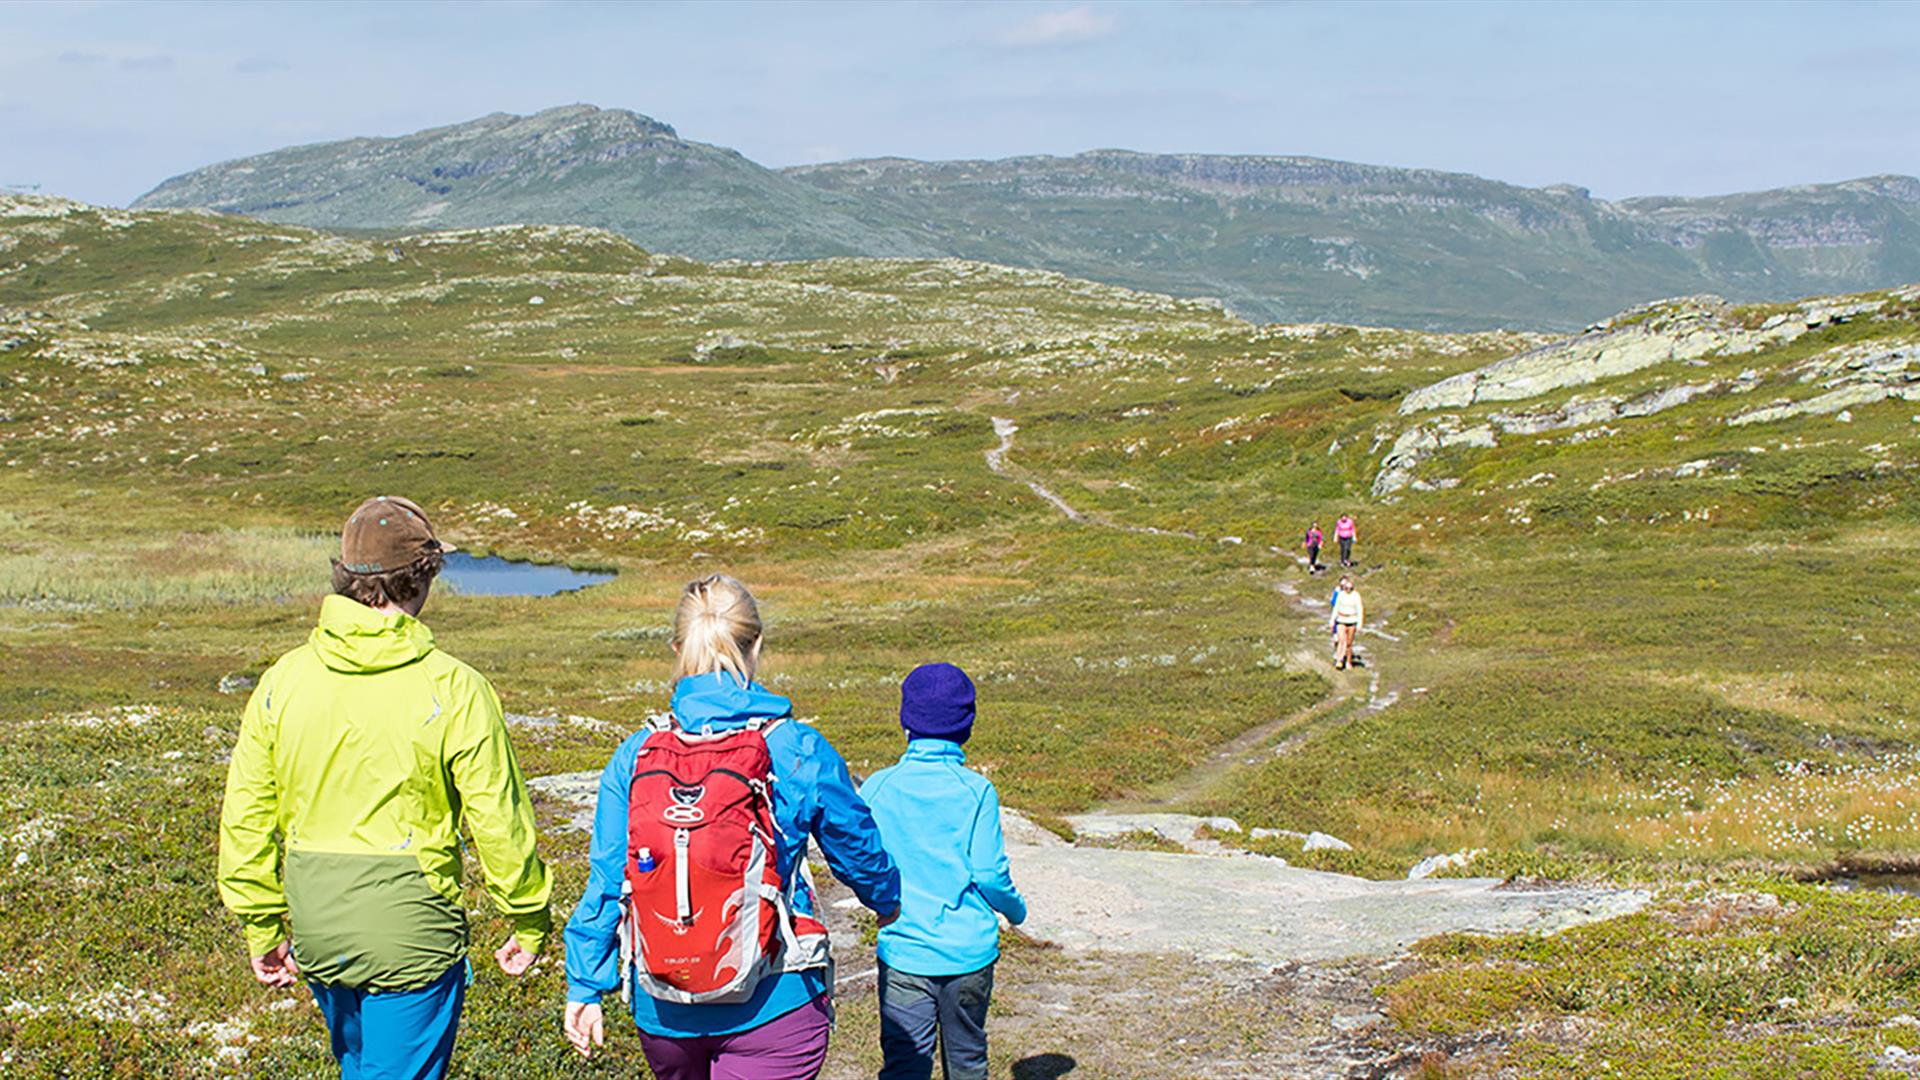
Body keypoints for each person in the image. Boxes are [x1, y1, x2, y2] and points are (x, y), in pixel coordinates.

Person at [218, 496, 552, 1079]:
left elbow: (247, 813)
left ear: (347, 577)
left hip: (317, 922)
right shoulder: (457, 687)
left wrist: (262, 923)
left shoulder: (282, 681)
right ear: (422, 578)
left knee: (360, 1065)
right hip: (413, 930)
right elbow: (498, 817)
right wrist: (528, 917)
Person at [563, 574, 901, 1078]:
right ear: (757, 644)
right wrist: (888, 902)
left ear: (677, 649)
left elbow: (610, 879)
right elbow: (858, 849)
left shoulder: (636, 755)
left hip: (664, 1005)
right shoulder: (795, 747)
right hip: (776, 999)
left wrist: (585, 984)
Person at [859, 663, 1027, 1080]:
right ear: (966, 725)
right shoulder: (977, 791)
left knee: (904, 1065)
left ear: (906, 722)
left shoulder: (878, 787)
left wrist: (879, 903)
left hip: (904, 951)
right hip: (969, 953)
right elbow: (989, 874)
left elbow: (862, 861)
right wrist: (1016, 910)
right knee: (968, 1058)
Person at [1332, 574, 1364, 670]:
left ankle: (1348, 661)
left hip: (1352, 620)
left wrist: (1360, 623)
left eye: (1350, 588)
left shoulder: (1356, 596)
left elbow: (1359, 609)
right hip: (1341, 619)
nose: (1348, 590)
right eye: (1346, 588)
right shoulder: (1340, 595)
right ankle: (1339, 660)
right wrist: (1332, 620)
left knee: (1349, 643)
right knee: (1342, 641)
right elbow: (1336, 607)